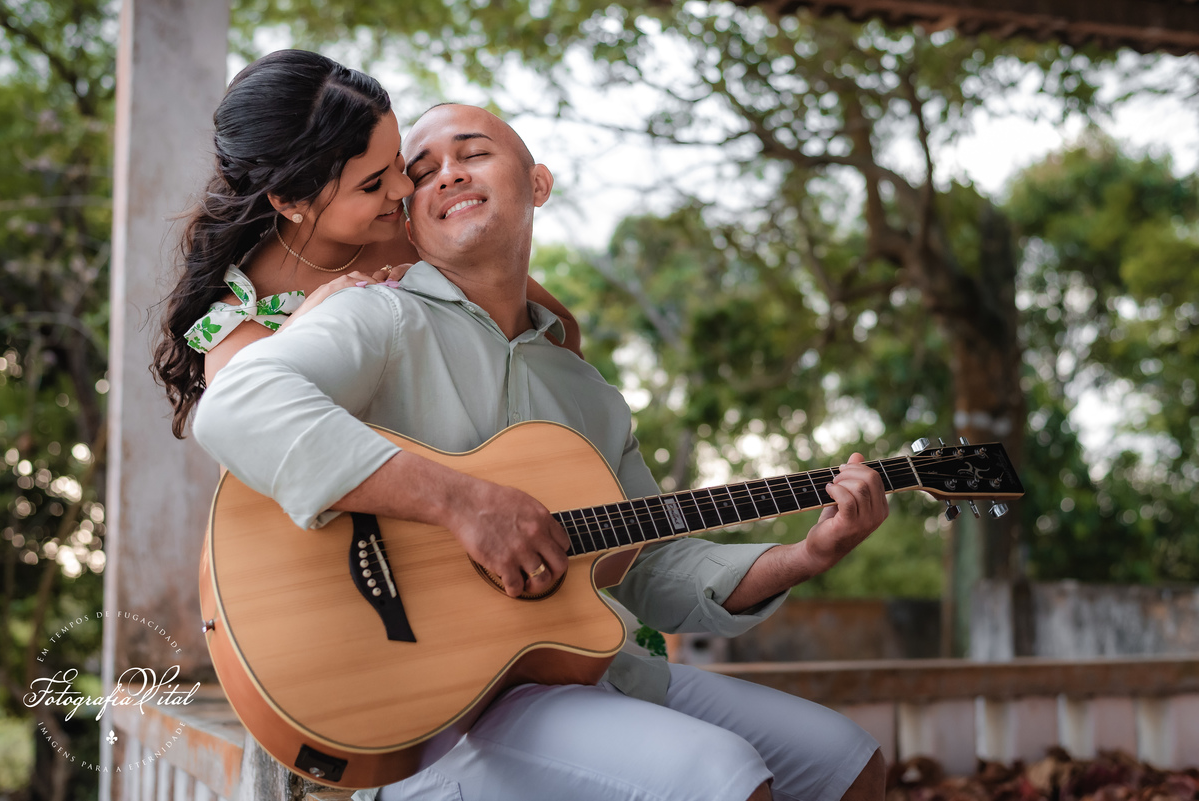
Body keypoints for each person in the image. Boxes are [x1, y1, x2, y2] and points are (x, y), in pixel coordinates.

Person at [188, 96, 889, 801]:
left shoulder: (586, 389)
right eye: (422, 171)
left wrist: (807, 555)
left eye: (473, 153)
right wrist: (463, 503)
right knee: (721, 775)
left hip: (600, 673)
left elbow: (657, 566)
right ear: (408, 223)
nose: (446, 175)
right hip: (445, 712)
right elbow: (239, 403)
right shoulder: (378, 313)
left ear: (539, 185)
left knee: (844, 758)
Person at [151, 50, 580, 436]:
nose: (402, 188)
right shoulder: (242, 327)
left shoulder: (416, 230)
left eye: (398, 161)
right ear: (290, 201)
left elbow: (559, 338)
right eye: (373, 184)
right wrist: (300, 329)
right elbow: (254, 447)